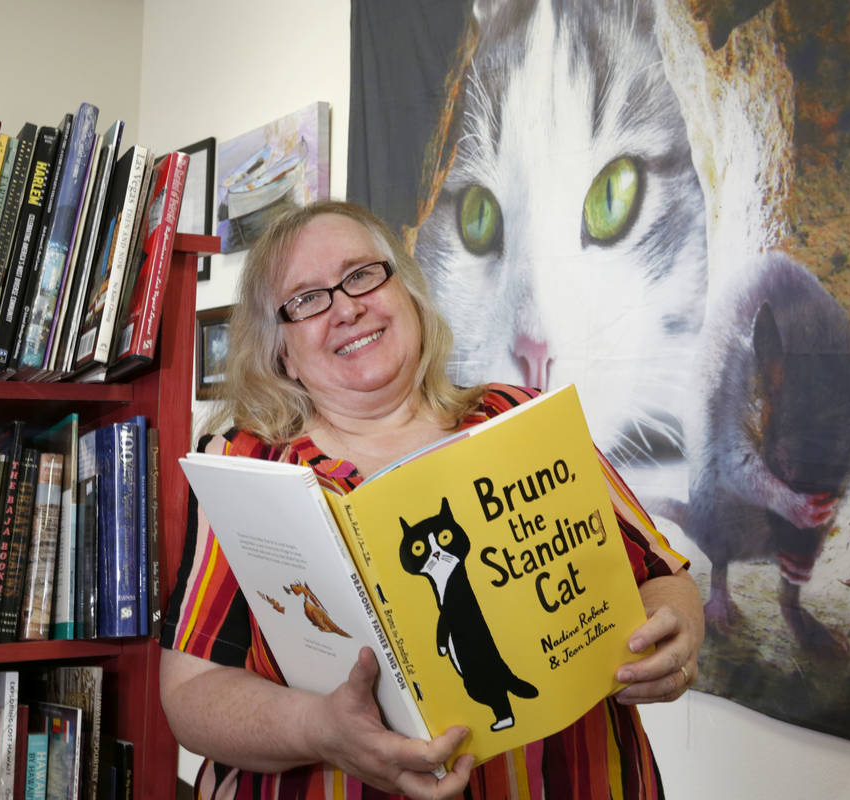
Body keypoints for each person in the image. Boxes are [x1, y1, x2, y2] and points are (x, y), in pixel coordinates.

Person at [159, 200, 704, 798]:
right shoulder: (245, 465)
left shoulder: (517, 416)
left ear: (409, 293)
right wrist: (319, 729)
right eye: (307, 299)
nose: (346, 307)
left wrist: (673, 640)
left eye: (361, 274)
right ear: (281, 350)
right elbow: (190, 694)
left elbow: (661, 575)